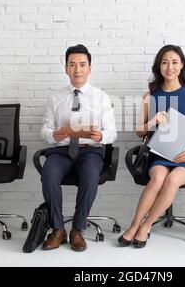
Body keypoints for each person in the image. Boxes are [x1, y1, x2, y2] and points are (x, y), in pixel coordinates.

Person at [118, 45, 185, 248]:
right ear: (159, 66)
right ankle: (133, 225)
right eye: (165, 62)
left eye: (175, 62)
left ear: (182, 65)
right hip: (159, 153)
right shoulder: (150, 95)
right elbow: (140, 131)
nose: (170, 67)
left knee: (172, 180)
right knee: (157, 178)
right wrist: (153, 121)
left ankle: (146, 226)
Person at [40, 44, 117, 252]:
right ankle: (57, 229)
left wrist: (100, 135)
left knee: (91, 174)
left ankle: (77, 229)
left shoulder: (101, 97)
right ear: (66, 68)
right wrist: (52, 134)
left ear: (89, 68)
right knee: (49, 172)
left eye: (82, 64)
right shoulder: (55, 98)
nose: (77, 69)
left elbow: (112, 132)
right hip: (62, 150)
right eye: (72, 65)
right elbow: (45, 129)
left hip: (89, 150)